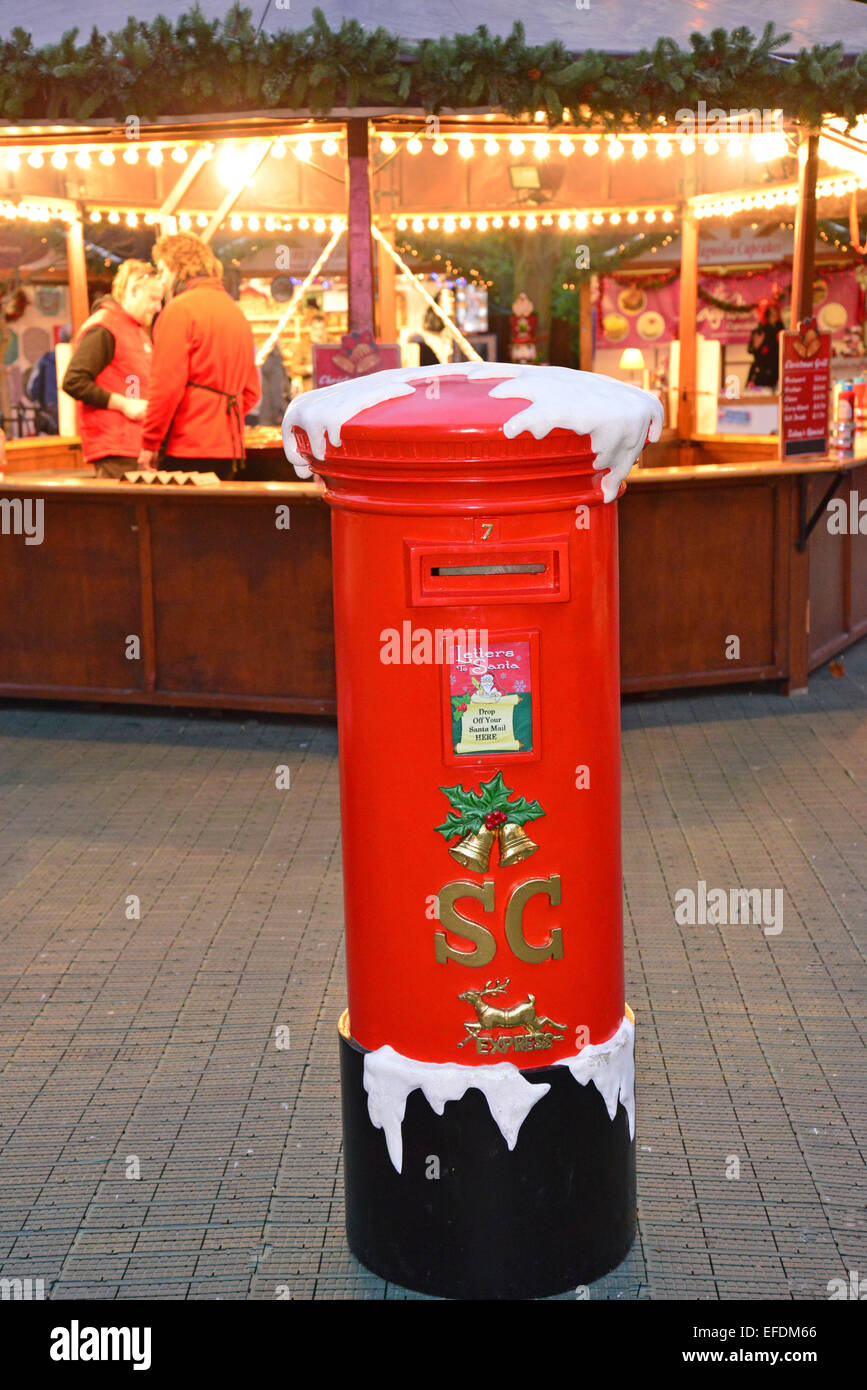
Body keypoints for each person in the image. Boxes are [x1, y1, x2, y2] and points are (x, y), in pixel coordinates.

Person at [138, 234, 260, 479]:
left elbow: (165, 386)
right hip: (230, 448)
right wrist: (220, 417)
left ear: (174, 266)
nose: (162, 280)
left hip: (187, 445)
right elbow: (252, 392)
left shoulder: (179, 310)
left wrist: (150, 442)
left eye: (162, 271)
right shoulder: (236, 313)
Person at [62, 267, 161, 478]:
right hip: (115, 446)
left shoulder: (135, 330)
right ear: (133, 291)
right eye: (153, 299)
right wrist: (124, 404)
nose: (157, 307)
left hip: (135, 445)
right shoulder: (104, 327)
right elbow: (73, 381)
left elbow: (133, 383)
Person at [28, 324, 72, 435]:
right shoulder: (81, 359)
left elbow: (32, 389)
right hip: (73, 415)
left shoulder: (45, 360)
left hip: (50, 412)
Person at [747, 298, 783, 390]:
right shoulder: (760, 331)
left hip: (777, 372)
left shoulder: (781, 330)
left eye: (776, 313)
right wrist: (756, 346)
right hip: (761, 374)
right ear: (766, 315)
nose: (774, 316)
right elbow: (751, 350)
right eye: (771, 314)